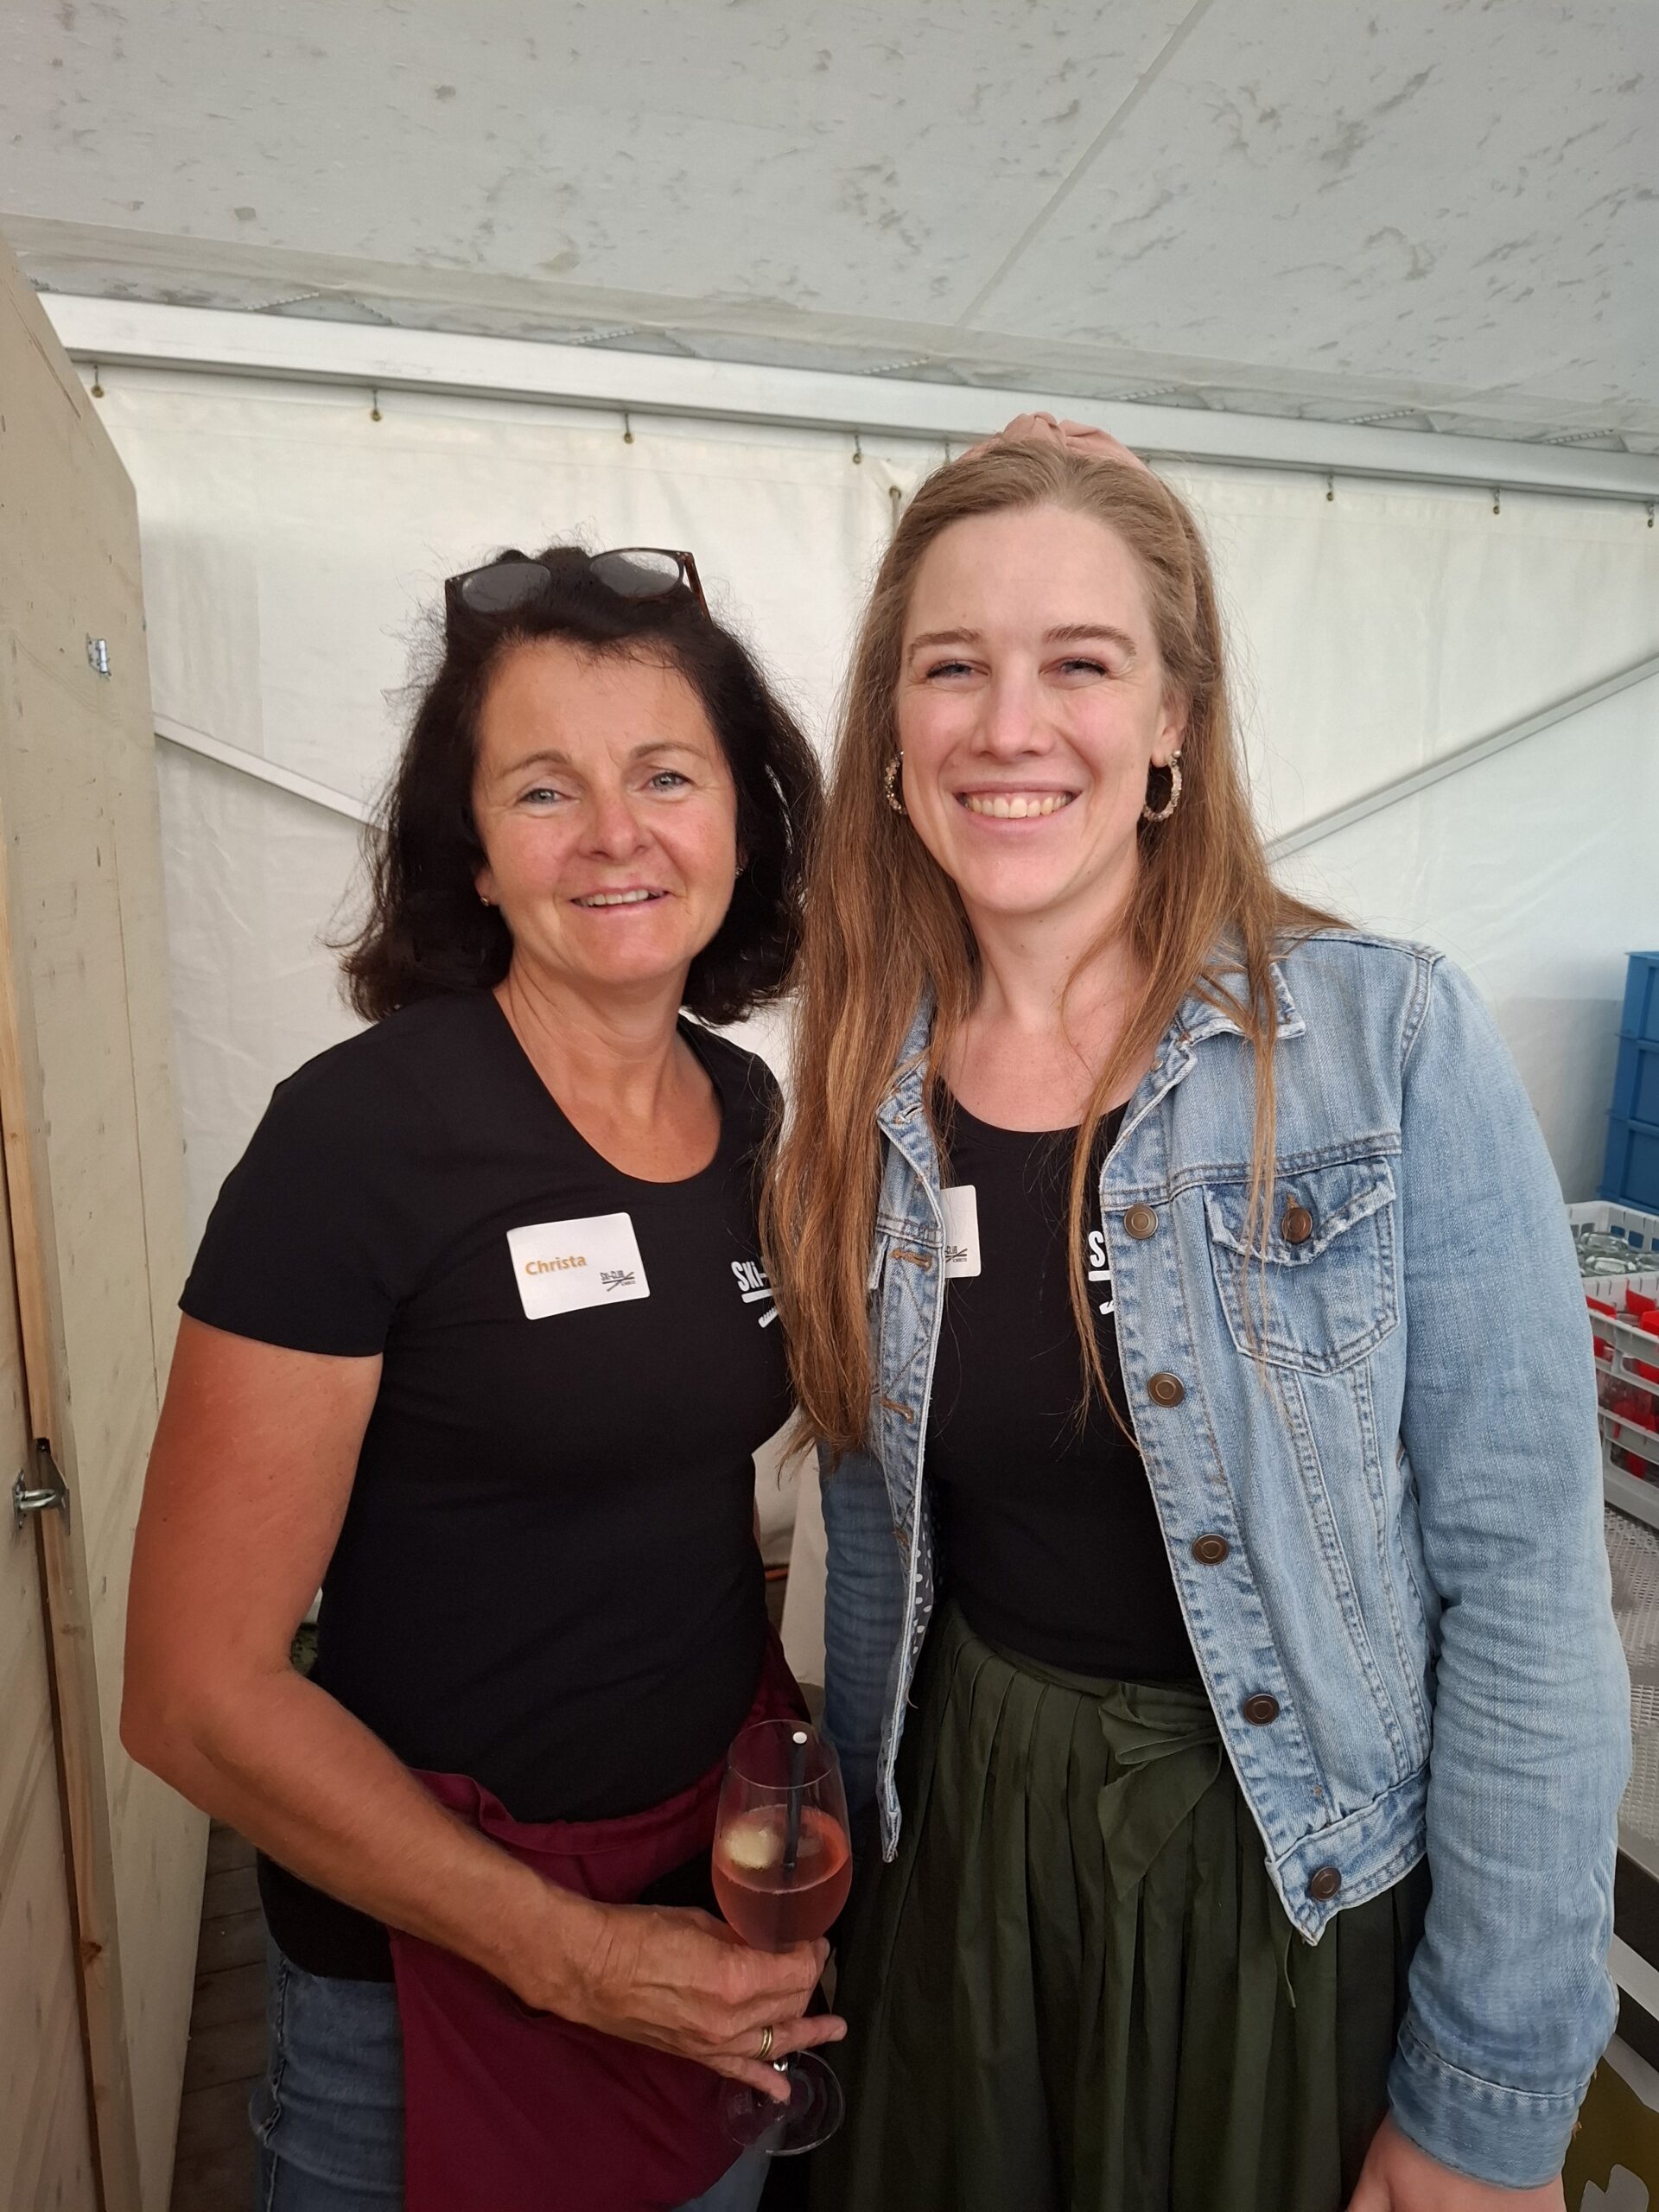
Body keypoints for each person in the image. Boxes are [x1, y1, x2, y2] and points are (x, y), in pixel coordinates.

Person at [764, 423, 1630, 2212]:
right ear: (894, 731)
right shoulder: (860, 1077)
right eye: (954, 665)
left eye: (1082, 663)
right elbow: (868, 1548)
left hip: (1285, 1878)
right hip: (971, 1857)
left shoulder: (1385, 1042)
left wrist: (1487, 2105)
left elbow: (1530, 1595)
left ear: (1175, 718)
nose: (1011, 725)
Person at [121, 543, 837, 2212]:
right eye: (543, 789)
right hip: (419, 1974)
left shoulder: (747, 1113)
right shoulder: (356, 1140)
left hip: (699, 1918)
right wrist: (569, 1957)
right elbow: (192, 1694)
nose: (615, 834)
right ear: (475, 853)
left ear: (744, 822)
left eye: (667, 775)